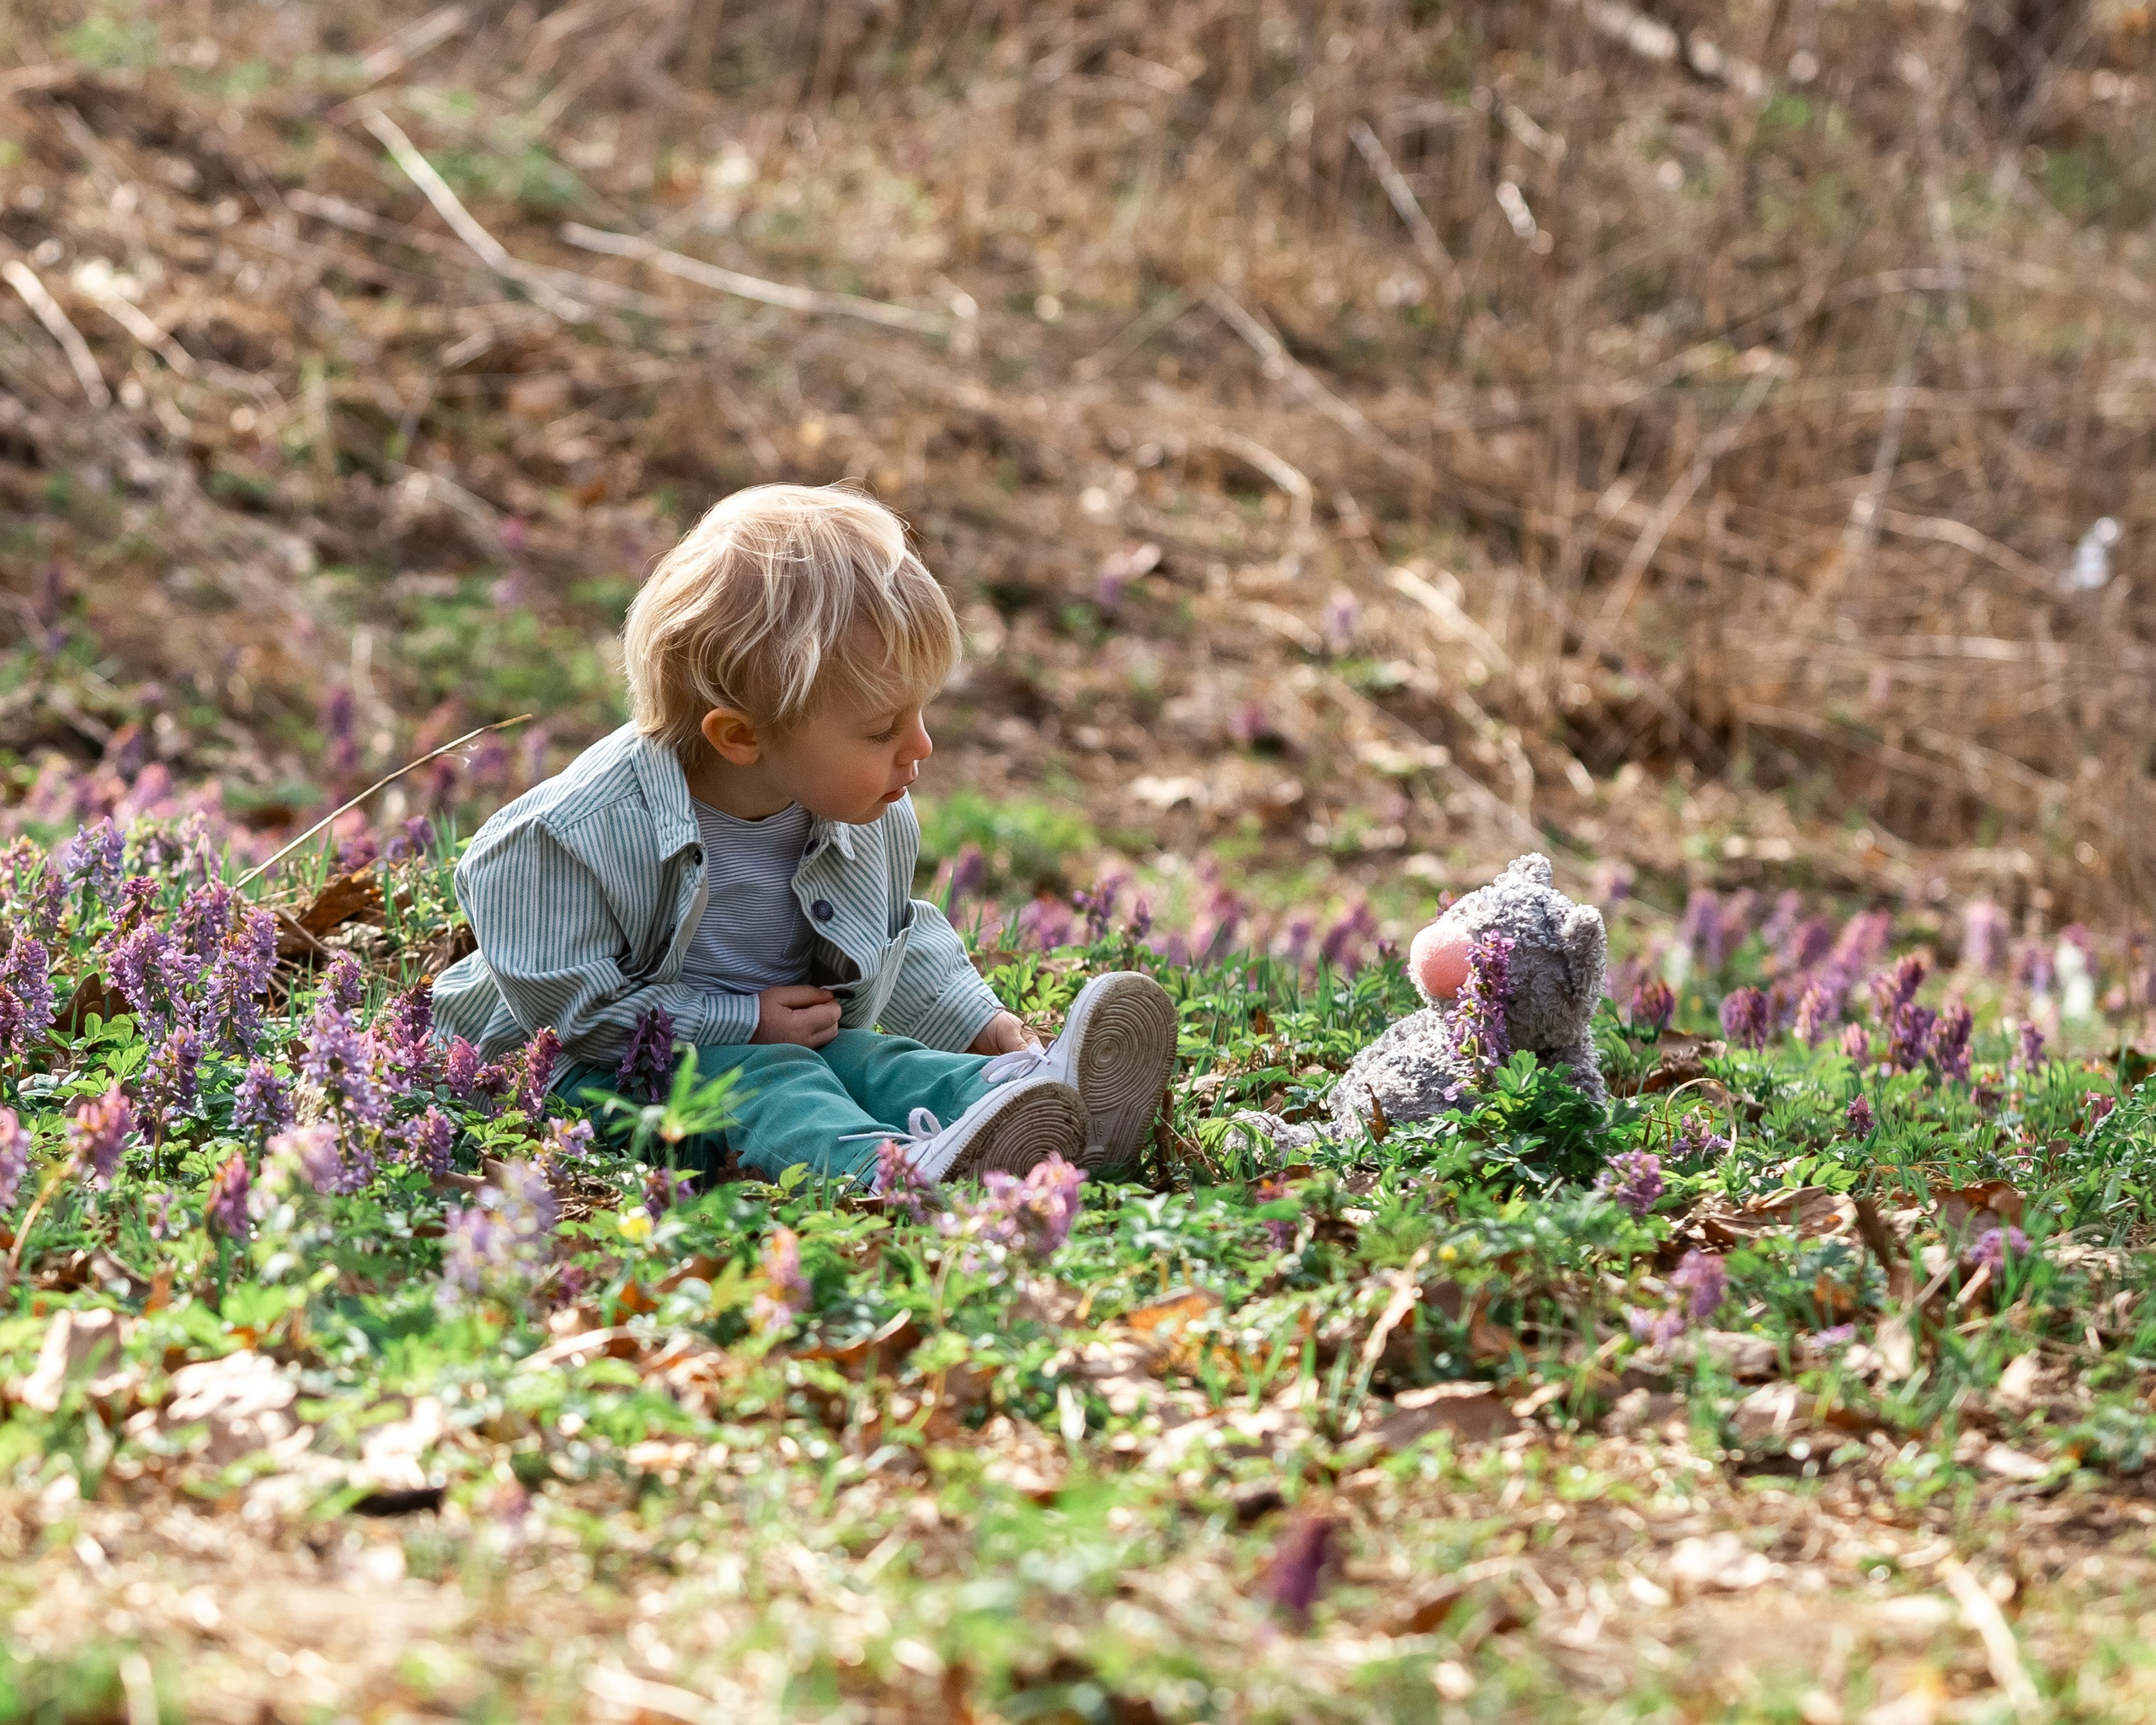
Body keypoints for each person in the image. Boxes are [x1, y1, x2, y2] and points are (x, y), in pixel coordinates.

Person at [431, 483, 1177, 1188]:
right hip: (585, 1078)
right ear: (741, 736)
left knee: (873, 1062)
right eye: (882, 728)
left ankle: (1041, 1110)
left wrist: (978, 1024)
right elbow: (575, 1018)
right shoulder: (567, 837)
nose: (919, 746)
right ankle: (886, 1176)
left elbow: (896, 937)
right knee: (779, 1083)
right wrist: (743, 1021)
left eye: (919, 713)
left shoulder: (861, 811)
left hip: (776, 1046)